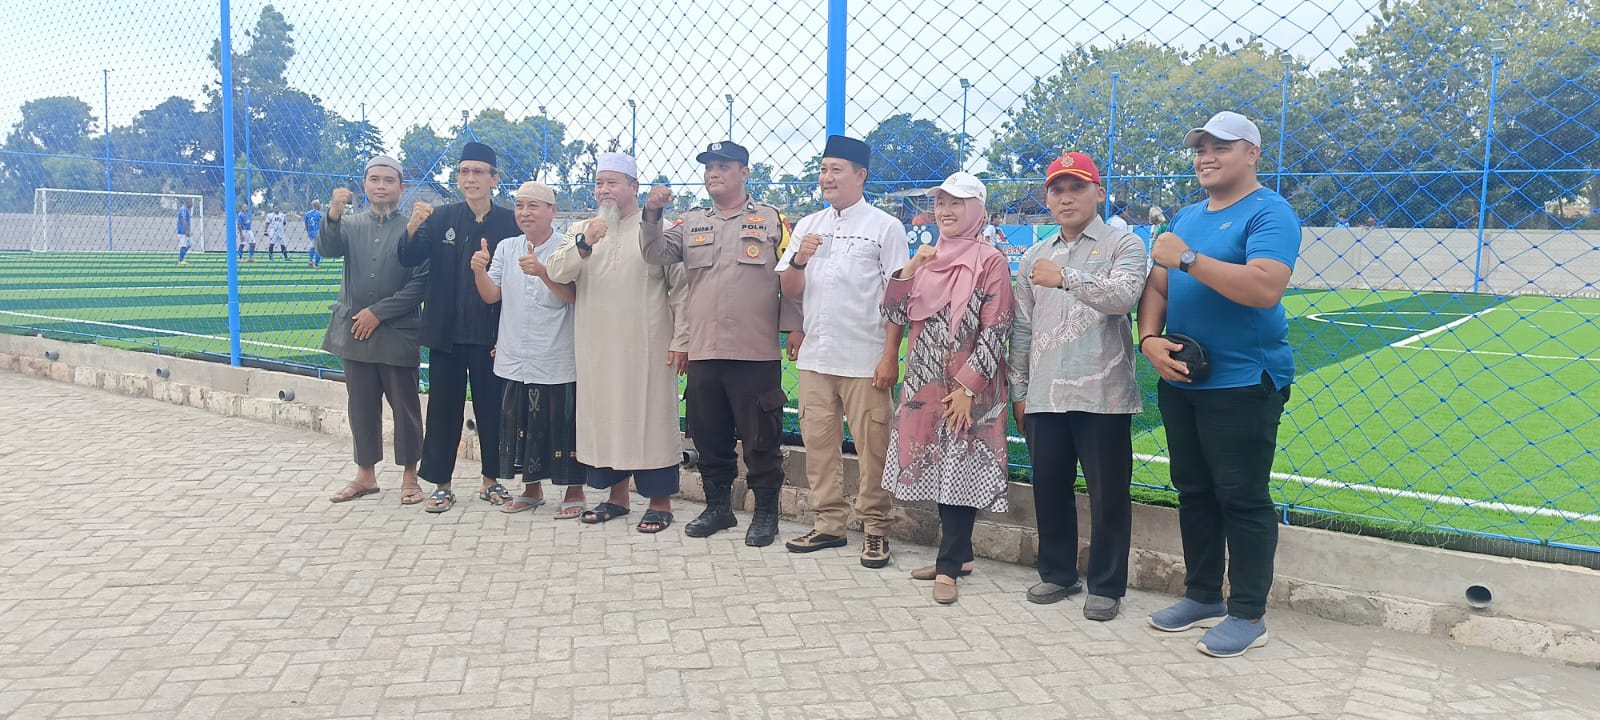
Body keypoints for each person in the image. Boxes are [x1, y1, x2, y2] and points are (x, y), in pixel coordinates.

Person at [1137, 111, 1301, 657]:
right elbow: (1157, 288)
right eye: (1200, 148)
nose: (1206, 156)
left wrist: (1185, 256)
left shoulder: (1270, 212)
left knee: (1242, 497)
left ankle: (1249, 613)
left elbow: (1264, 288)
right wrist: (1149, 340)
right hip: (1184, 374)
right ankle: (1203, 594)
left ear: (1252, 153)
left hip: (1243, 381)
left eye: (1221, 147)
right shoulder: (1187, 214)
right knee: (1194, 491)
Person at [639, 141, 801, 546]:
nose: (714, 173)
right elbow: (655, 253)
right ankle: (718, 508)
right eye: (709, 167)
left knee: (762, 439)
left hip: (755, 350)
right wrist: (652, 213)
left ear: (744, 172)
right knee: (709, 434)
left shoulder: (772, 220)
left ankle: (765, 514)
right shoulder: (691, 222)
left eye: (723, 166)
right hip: (704, 349)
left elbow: (790, 279)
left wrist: (794, 326)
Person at [1010, 152, 1147, 620]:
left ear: (1099, 193)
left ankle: (1107, 584)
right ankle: (1057, 573)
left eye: (1077, 188)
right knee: (1049, 484)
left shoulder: (1123, 244)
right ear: (1047, 198)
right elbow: (1023, 329)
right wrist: (1020, 388)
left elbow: (1124, 296)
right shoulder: (1035, 254)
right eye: (1057, 190)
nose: (1066, 198)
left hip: (1103, 393)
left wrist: (1066, 277)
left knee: (1108, 492)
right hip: (1047, 392)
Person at [881, 172, 1013, 604]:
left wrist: (969, 387)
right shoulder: (928, 258)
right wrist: (914, 267)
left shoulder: (990, 260)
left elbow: (997, 328)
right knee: (937, 468)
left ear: (976, 209)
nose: (946, 211)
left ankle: (949, 565)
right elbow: (895, 312)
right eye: (940, 203)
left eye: (957, 203)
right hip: (924, 382)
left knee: (959, 468)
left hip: (967, 388)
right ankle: (962, 555)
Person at [776, 136, 907, 567]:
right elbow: (789, 290)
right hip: (816, 355)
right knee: (819, 443)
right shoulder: (808, 224)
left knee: (873, 446)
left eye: (836, 169)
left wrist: (890, 355)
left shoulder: (884, 227)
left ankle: (875, 528)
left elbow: (897, 297)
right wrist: (799, 260)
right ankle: (829, 524)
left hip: (865, 357)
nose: (826, 177)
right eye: (823, 169)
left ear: (860, 176)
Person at [547, 152, 688, 531]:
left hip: (648, 346)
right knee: (604, 418)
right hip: (597, 346)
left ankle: (660, 502)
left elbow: (681, 289)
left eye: (612, 182)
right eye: (599, 183)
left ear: (634, 188)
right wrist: (584, 242)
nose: (604, 190)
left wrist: (682, 340)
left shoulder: (658, 228)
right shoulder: (582, 228)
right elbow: (557, 271)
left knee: (652, 418)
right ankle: (616, 498)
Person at [398, 142, 519, 513]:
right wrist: (413, 225)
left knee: (493, 409)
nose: (470, 179)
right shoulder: (441, 218)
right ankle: (442, 484)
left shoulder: (509, 223)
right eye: (464, 172)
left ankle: (491, 481)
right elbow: (409, 257)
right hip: (446, 334)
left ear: (494, 179)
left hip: (491, 336)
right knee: (443, 410)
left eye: (479, 172)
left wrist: (506, 334)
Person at [469, 182, 586, 515]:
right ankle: (531, 489)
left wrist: (543, 273)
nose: (524, 213)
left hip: (556, 353)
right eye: (520, 206)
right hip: (515, 354)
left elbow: (573, 296)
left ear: (552, 210)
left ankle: (574, 492)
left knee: (562, 425)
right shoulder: (507, 247)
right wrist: (478, 271)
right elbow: (492, 295)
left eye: (533, 206)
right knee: (520, 424)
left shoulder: (566, 247)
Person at [320, 156, 429, 505]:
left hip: (397, 333)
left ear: (402, 187)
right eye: (374, 180)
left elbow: (420, 283)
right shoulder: (349, 224)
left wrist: (378, 313)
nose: (381, 185)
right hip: (356, 332)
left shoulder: (415, 226)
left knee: (406, 408)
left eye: (389, 180)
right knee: (361, 407)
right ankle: (365, 476)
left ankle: (410, 477)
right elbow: (327, 248)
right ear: (364, 185)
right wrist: (334, 212)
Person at [304, 200, 324, 268]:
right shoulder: (320, 214)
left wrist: (308, 232)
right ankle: (316, 264)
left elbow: (306, 224)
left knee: (312, 246)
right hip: (318, 232)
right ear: (318, 205)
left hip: (311, 232)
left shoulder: (307, 214)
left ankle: (310, 259)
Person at [176, 198, 193, 266]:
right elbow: (183, 220)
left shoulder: (186, 209)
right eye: (191, 201)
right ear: (187, 201)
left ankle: (181, 258)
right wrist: (186, 230)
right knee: (183, 245)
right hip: (182, 231)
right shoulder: (183, 209)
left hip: (184, 231)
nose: (192, 203)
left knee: (189, 245)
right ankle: (180, 261)